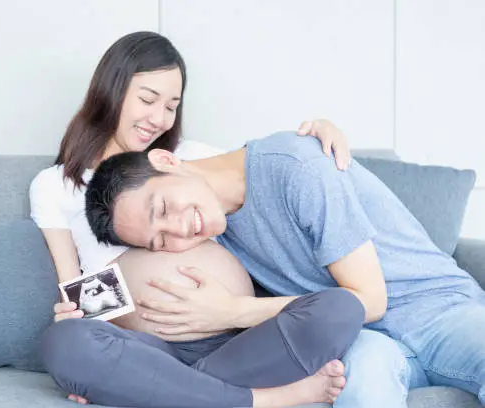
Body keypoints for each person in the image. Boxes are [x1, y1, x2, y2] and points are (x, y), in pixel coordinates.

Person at [31, 31, 361, 407]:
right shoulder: (56, 185)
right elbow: (74, 288)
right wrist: (80, 323)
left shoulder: (186, 157)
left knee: (340, 309)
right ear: (111, 90)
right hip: (150, 349)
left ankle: (165, 392)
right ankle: (266, 400)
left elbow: (271, 170)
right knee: (65, 343)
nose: (158, 118)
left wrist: (315, 138)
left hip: (238, 340)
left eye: (171, 106)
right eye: (147, 99)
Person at [85, 130, 485, 407]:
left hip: (441, 310)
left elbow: (371, 300)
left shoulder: (296, 167)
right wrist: (79, 314)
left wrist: (232, 312)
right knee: (362, 387)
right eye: (158, 241)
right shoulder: (207, 233)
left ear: (167, 160)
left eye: (163, 209)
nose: (177, 231)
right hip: (361, 340)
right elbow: (121, 281)